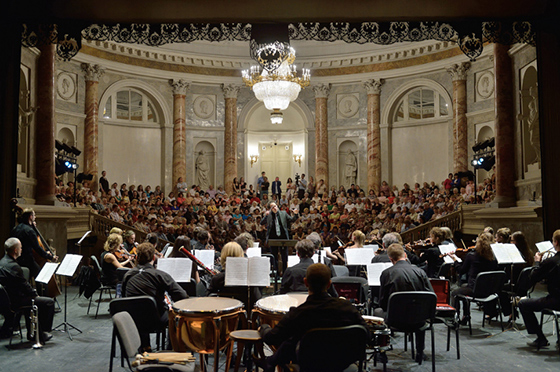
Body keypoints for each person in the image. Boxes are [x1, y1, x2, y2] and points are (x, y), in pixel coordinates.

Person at [256, 263, 367, 372]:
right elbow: (366, 334)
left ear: (306, 283)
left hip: (310, 364)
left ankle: (270, 362)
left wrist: (264, 328)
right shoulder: (347, 307)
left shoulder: (300, 313)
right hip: (342, 362)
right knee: (296, 338)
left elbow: (272, 338)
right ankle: (270, 362)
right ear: (329, 284)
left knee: (294, 338)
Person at [375, 243, 434, 363]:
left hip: (394, 320)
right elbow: (431, 296)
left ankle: (382, 352)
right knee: (418, 310)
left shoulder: (387, 273)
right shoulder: (420, 272)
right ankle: (420, 352)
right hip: (419, 320)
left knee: (377, 311)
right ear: (405, 255)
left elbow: (383, 302)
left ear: (391, 259)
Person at [122, 242, 187, 350]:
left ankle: (145, 346)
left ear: (137, 257)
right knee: (175, 316)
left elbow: (124, 298)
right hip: (156, 320)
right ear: (153, 257)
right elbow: (182, 295)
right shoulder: (159, 275)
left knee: (139, 309)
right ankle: (171, 349)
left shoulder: (127, 275)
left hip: (131, 320)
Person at [0, 238, 55, 344]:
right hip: (15, 301)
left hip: (6, 300)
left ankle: (33, 332)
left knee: (31, 301)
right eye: (20, 247)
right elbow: (25, 286)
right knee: (48, 302)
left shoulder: (2, 262)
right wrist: (35, 295)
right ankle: (41, 332)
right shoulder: (14, 267)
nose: (22, 249)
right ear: (16, 250)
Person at [519, 229, 560, 349]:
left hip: (556, 300)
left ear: (556, 242)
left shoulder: (551, 261)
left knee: (523, 303)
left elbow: (533, 278)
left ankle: (541, 338)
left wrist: (537, 263)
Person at [450, 232, 498, 324]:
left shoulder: (471, 256)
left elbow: (461, 270)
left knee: (454, 293)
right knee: (464, 286)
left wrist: (455, 260)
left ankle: (454, 318)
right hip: (489, 290)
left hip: (475, 290)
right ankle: (466, 316)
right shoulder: (493, 258)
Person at [207, 242, 261, 309]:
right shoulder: (248, 279)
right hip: (244, 317)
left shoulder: (217, 279)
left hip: (223, 316)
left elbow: (207, 299)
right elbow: (257, 301)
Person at [11, 208, 57, 280]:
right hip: (27, 259)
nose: (35, 217)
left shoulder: (16, 228)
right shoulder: (30, 231)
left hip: (16, 258)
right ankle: (40, 291)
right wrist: (50, 257)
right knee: (40, 275)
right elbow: (37, 248)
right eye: (34, 215)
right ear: (30, 217)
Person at [261, 202, 299, 274]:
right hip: (273, 238)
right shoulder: (269, 215)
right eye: (272, 207)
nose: (275, 208)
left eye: (275, 206)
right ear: (270, 209)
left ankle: (285, 273)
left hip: (283, 238)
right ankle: (276, 273)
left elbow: (292, 220)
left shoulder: (283, 213)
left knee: (284, 257)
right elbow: (261, 223)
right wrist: (266, 216)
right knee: (274, 257)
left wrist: (296, 214)